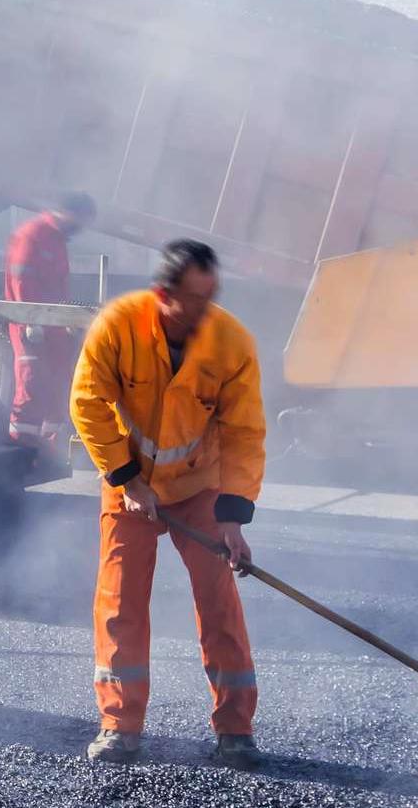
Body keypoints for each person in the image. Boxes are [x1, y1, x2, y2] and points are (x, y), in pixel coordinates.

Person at [69, 239, 266, 769]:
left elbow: (245, 434)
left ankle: (235, 728)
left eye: (211, 296)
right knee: (120, 601)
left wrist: (233, 517)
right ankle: (119, 724)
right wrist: (129, 479)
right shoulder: (118, 327)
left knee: (218, 600)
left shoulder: (231, 343)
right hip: (129, 483)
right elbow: (87, 402)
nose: (204, 310)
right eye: (193, 299)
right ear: (162, 295)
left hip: (201, 487)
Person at [5, 191, 96, 463]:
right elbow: (21, 279)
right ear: (68, 213)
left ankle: (48, 450)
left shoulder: (56, 239)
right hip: (31, 323)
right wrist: (30, 319)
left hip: (54, 323)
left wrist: (66, 320)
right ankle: (21, 450)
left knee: (59, 382)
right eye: (82, 219)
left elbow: (57, 284)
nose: (82, 227)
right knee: (32, 383)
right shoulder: (33, 234)